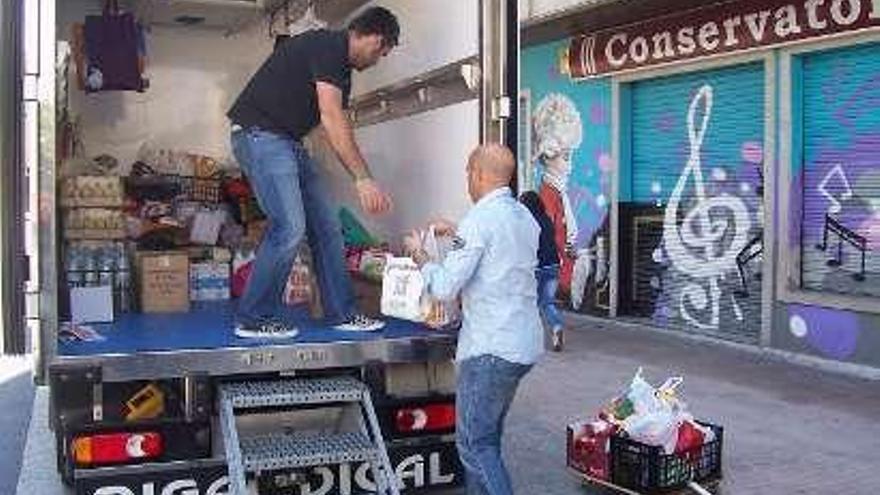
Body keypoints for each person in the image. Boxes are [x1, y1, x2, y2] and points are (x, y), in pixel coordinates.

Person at [227, 7, 399, 337]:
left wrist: (351, 172)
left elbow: (336, 126)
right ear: (374, 37)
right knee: (290, 227)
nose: (379, 59)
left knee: (327, 227)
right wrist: (362, 179)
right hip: (260, 135)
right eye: (382, 51)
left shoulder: (341, 69)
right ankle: (254, 318)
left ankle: (341, 312)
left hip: (287, 141)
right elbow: (332, 117)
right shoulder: (329, 47)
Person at [404, 144, 543, 495]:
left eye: (468, 172)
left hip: (490, 349)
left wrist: (419, 254)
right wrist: (456, 229)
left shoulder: (479, 219)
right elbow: (500, 252)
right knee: (488, 438)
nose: (467, 180)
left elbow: (446, 287)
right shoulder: (523, 217)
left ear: (479, 174)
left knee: (473, 445)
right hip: (522, 344)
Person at [520, 190, 565, 352]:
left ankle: (530, 338)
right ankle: (557, 326)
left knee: (530, 303)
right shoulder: (546, 219)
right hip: (553, 266)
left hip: (536, 267)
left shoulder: (528, 222)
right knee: (547, 302)